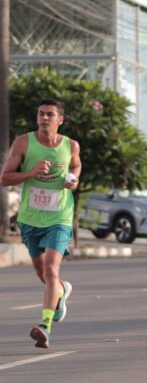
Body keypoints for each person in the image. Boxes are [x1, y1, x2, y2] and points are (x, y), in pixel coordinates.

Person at [1, 99, 81, 349]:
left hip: (59, 218)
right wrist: (31, 172)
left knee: (50, 270)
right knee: (42, 274)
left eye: (50, 115)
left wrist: (73, 180)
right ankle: (61, 291)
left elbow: (76, 166)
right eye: (41, 114)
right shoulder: (24, 142)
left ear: (60, 120)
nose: (44, 118)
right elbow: (5, 178)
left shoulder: (71, 145)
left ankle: (45, 326)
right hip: (30, 218)